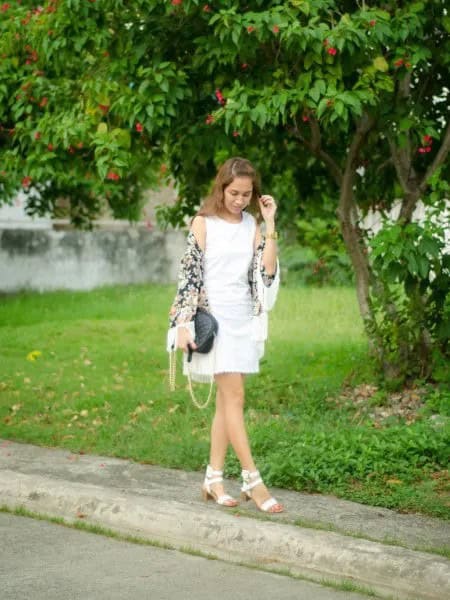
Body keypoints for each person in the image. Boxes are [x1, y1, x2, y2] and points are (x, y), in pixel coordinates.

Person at [167, 157, 284, 513]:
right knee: (234, 396)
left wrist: (269, 224)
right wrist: (183, 324)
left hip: (242, 320)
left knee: (226, 402)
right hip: (212, 320)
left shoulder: (252, 224)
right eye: (234, 192)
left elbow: (266, 272)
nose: (239, 199)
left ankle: (213, 478)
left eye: (246, 194)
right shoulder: (203, 223)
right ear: (221, 188)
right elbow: (188, 277)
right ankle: (253, 479)